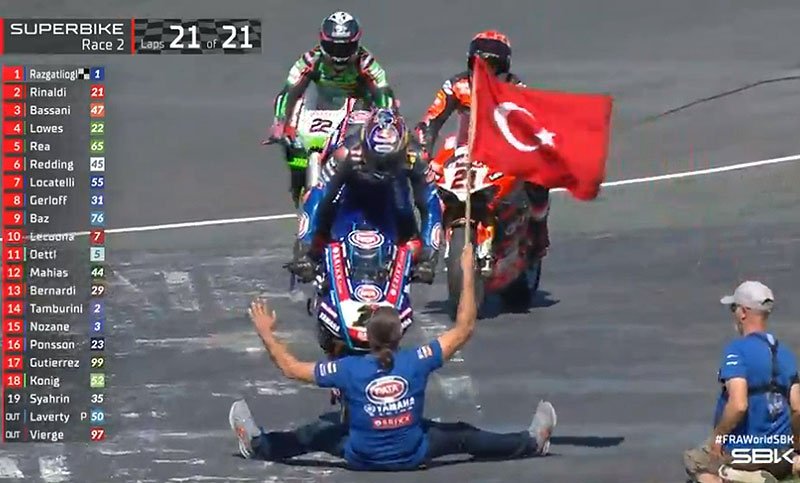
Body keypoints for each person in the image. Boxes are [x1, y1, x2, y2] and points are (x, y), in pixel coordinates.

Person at [230, 243, 557, 470]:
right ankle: (530, 442)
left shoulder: (348, 369)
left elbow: (290, 368)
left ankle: (258, 446)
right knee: (464, 436)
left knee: (313, 434)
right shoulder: (417, 360)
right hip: (413, 453)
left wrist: (266, 332)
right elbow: (464, 328)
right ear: (400, 336)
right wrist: (468, 275)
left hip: (362, 457)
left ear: (368, 339)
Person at [414, 30, 551, 263]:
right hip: (463, 147)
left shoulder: (516, 88)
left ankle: (538, 228)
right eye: (481, 63)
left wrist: (533, 145)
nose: (486, 69)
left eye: (493, 64)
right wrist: (421, 148)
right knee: (422, 179)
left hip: (503, 149)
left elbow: (531, 122)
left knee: (539, 178)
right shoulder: (457, 85)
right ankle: (427, 244)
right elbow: (432, 119)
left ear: (504, 66)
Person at [287, 107, 441, 285]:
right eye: (377, 159)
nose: (382, 167)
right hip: (350, 194)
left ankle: (405, 251)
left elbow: (430, 201)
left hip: (393, 197)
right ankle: (317, 253)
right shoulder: (345, 153)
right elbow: (319, 194)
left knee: (410, 231)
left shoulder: (416, 157)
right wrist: (305, 249)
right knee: (325, 208)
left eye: (389, 160)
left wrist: (428, 258)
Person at [266, 11, 397, 199]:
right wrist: (279, 121)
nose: (338, 56)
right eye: (333, 47)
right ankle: (298, 183)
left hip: (357, 109)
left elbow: (383, 91)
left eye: (345, 48)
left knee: (371, 152)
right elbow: (289, 91)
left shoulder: (366, 62)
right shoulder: (310, 60)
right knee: (292, 146)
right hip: (320, 106)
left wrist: (385, 118)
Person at [684, 281, 800, 483]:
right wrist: (796, 446)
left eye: (734, 308)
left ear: (743, 313)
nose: (734, 314)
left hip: (744, 453)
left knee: (695, 460)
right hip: (780, 454)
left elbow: (738, 405)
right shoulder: (786, 354)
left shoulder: (737, 350)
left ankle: (740, 477)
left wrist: (718, 437)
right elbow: (798, 408)